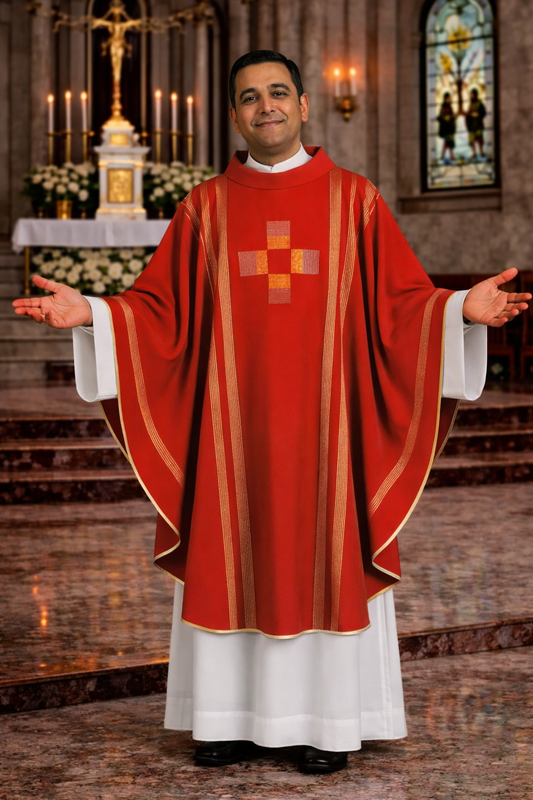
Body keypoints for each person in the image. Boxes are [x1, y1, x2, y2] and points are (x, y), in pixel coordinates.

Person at [13, 51, 530, 774]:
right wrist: (94, 312)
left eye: (277, 93)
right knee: (231, 551)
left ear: (303, 106)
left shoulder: (354, 199)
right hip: (232, 435)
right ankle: (224, 721)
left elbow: (398, 305)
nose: (265, 107)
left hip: (329, 433)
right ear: (234, 115)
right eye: (250, 97)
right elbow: (157, 313)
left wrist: (455, 310)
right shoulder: (205, 207)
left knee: (321, 555)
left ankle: (326, 726)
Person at [465, 88, 487, 161]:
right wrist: (468, 115)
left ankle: (481, 152)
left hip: (478, 124)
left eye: (472, 94)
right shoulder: (470, 105)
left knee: (479, 138)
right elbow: (468, 114)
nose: (471, 96)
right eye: (471, 95)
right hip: (471, 125)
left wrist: (477, 114)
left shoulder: (480, 103)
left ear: (475, 95)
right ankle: (474, 153)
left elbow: (483, 113)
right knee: (471, 140)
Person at [437, 91, 456, 163]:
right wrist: (446, 117)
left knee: (449, 142)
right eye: (448, 98)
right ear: (445, 99)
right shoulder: (443, 107)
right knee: (447, 142)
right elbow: (441, 116)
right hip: (446, 128)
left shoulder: (450, 107)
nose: (449, 100)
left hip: (450, 127)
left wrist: (453, 117)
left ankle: (447, 156)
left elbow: (452, 115)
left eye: (449, 98)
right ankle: (445, 156)